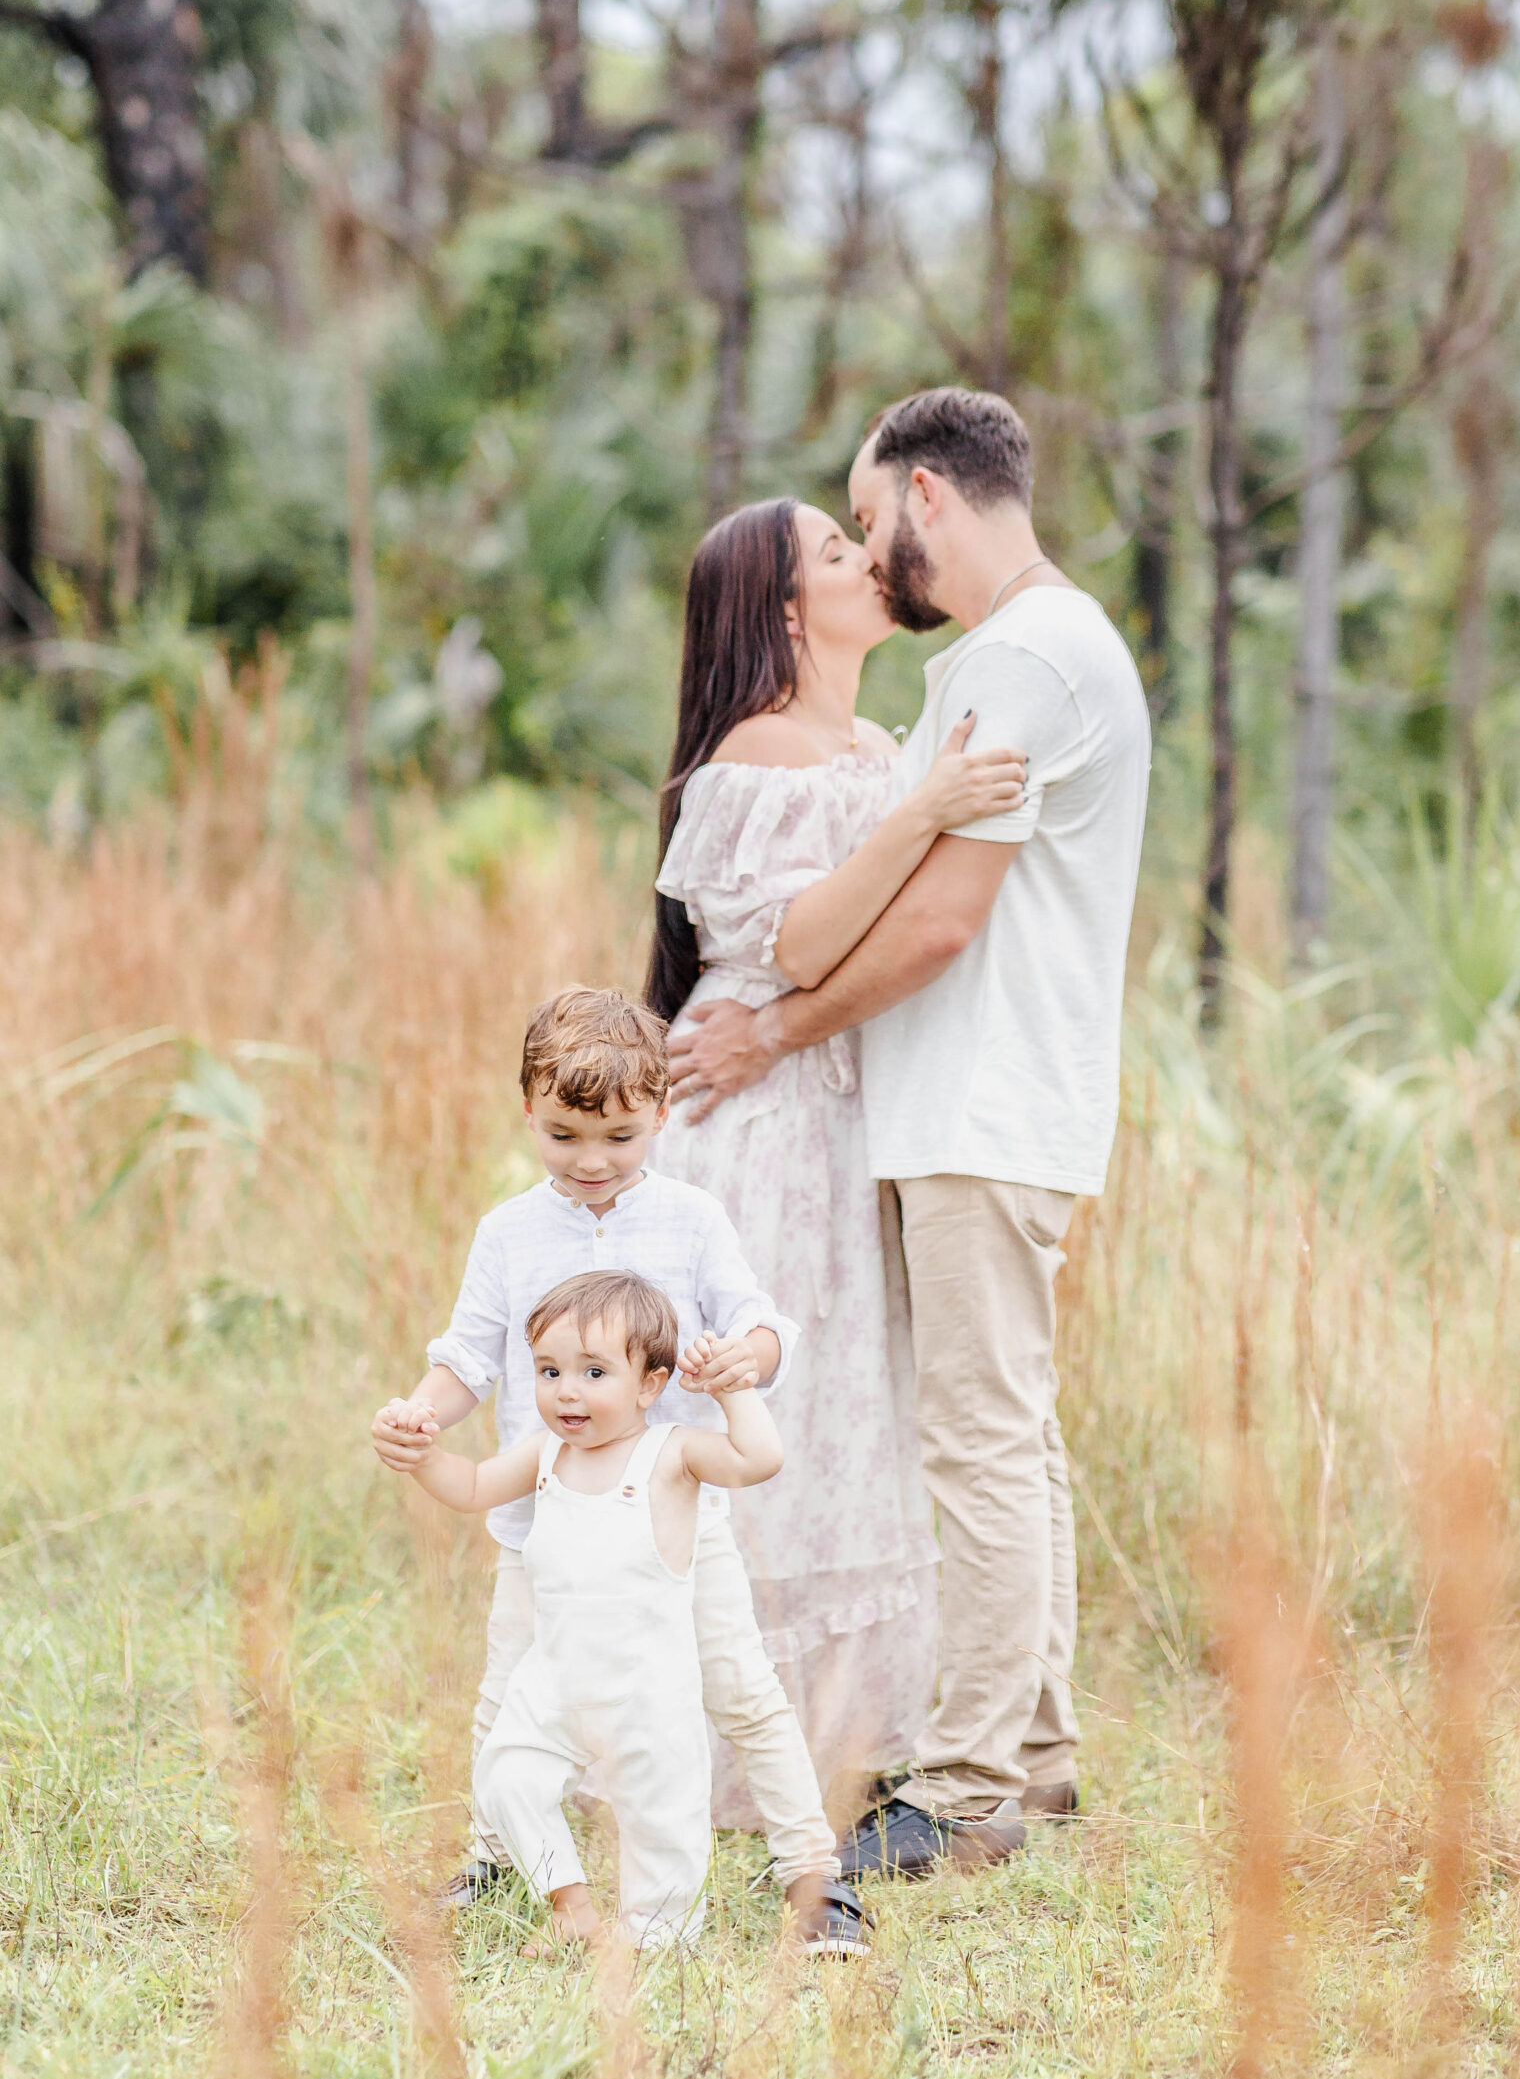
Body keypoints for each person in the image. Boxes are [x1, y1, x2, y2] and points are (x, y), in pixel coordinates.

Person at [667, 387, 1151, 1880]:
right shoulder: (1010, 656)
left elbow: (939, 920)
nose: (871, 552)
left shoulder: (1021, 660)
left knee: (980, 1445)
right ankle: (1037, 1759)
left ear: (926, 498)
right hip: (970, 1106)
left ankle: (962, 1794)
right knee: (1008, 1436)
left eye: (870, 518)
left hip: (985, 1104)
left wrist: (768, 1029)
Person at [645, 495, 1027, 1816]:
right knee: (768, 1408)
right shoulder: (754, 757)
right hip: (755, 1124)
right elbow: (801, 945)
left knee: (850, 1411)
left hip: (843, 1107)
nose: (867, 560)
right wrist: (922, 807)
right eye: (829, 552)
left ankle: (836, 1743)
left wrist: (916, 797)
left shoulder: (869, 741)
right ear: (783, 611)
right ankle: (729, 1746)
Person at [369, 984, 867, 1954]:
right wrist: (418, 1419)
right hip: (543, 1525)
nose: (592, 1164)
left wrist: (738, 1363)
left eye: (620, 1140)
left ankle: (812, 1873)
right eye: (563, 1137)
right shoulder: (509, 1231)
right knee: (508, 1690)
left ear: (660, 1118)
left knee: (741, 1687)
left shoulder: (689, 1218)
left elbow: (763, 1322)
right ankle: (496, 1858)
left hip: (673, 1527)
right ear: (528, 1113)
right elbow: (469, 1356)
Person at [397, 1267, 781, 1952]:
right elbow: (473, 1485)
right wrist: (422, 1454)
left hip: (645, 1690)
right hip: (557, 1679)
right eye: (548, 1371)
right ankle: (569, 1905)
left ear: (650, 1384)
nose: (566, 1390)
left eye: (594, 1372)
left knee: (661, 1833)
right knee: (506, 1778)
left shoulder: (672, 1454)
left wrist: (732, 1390)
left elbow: (757, 1458)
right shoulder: (546, 1454)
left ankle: (648, 1943)